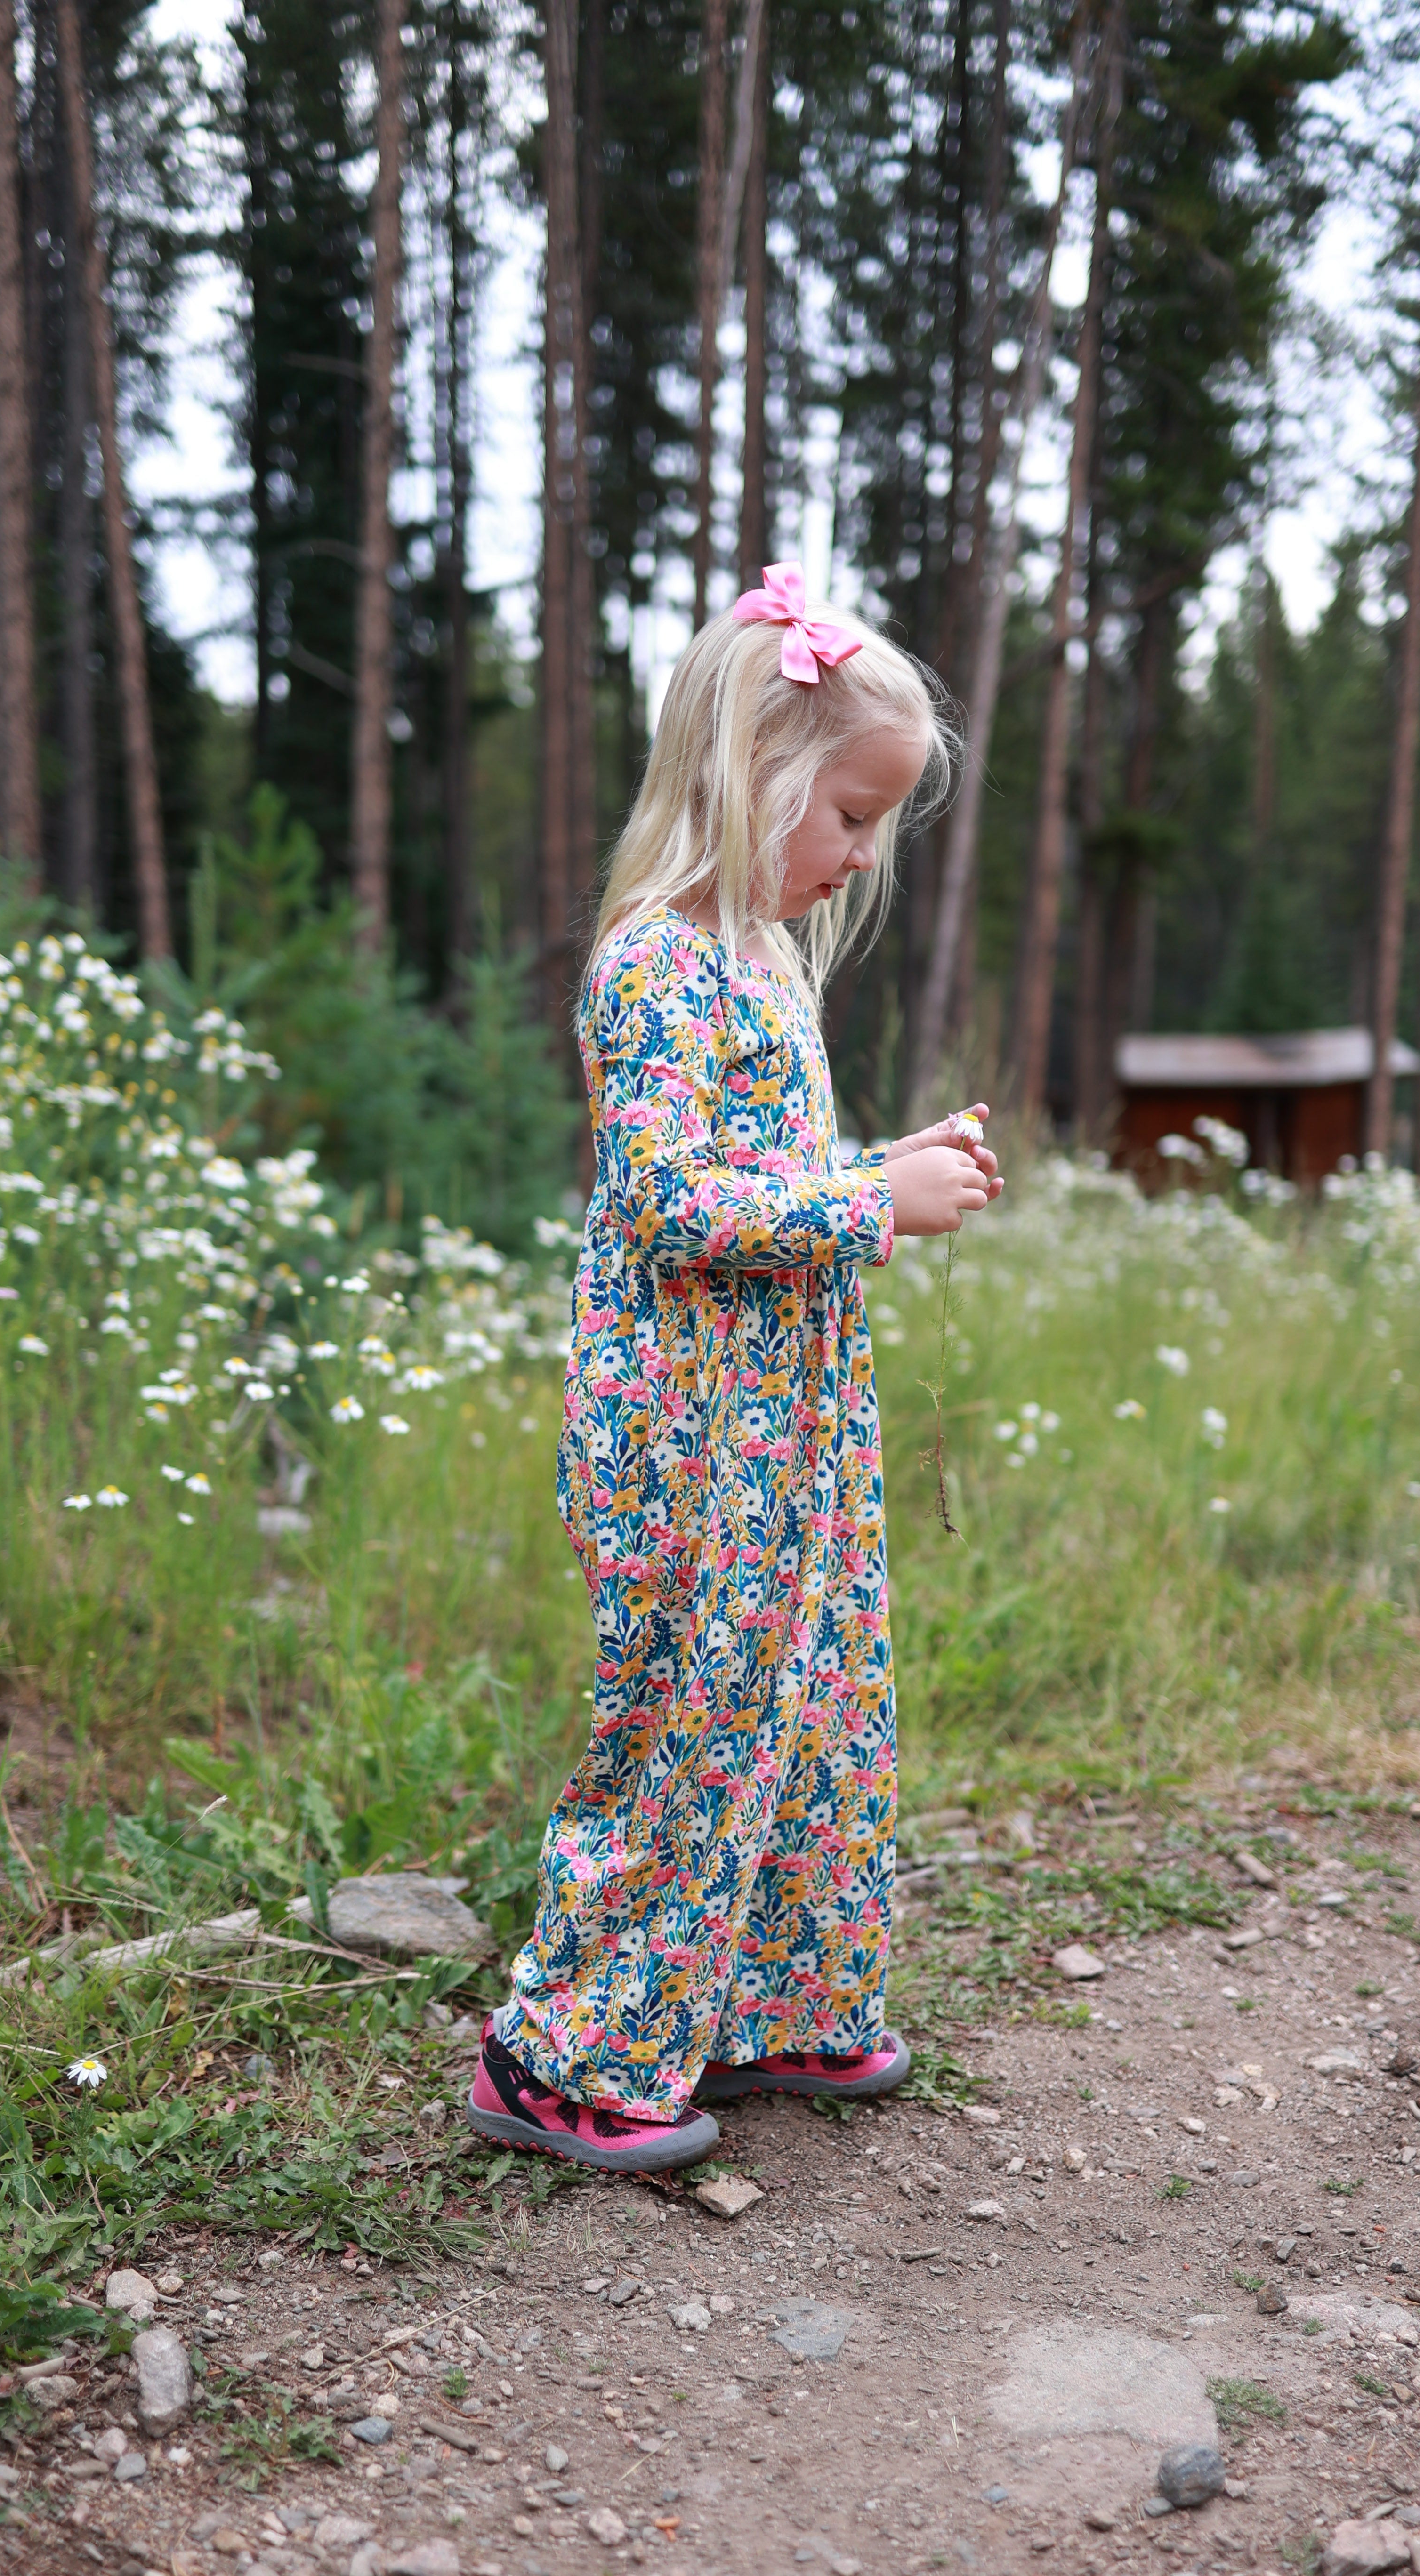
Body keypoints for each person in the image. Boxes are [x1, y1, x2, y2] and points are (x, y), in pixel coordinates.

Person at [466, 564, 1003, 2173]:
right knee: (693, 1717)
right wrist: (865, 1197)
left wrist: (877, 1166)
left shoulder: (769, 957)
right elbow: (670, 1197)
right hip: (684, 1439)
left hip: (791, 1426)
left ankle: (771, 1995)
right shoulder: (653, 962)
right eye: (848, 817)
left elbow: (769, 1169)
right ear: (750, 776)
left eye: (879, 830)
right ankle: (560, 2053)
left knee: (815, 1699)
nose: (857, 861)